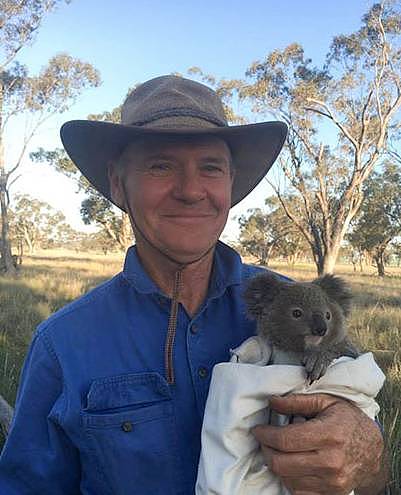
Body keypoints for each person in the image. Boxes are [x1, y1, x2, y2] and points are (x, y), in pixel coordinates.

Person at [0, 75, 387, 494]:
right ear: (117, 182)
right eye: (160, 165)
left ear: (230, 183)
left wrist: (367, 461)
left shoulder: (297, 306)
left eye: (210, 167)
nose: (190, 191)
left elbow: (372, 474)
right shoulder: (63, 345)